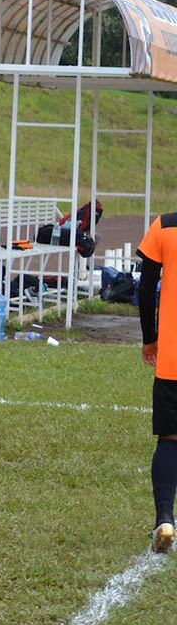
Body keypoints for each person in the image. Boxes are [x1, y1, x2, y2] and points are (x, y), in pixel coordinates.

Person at [138, 212, 177, 553]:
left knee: (169, 440)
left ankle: (165, 518)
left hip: (172, 360)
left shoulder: (164, 226)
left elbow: (146, 286)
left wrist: (150, 337)